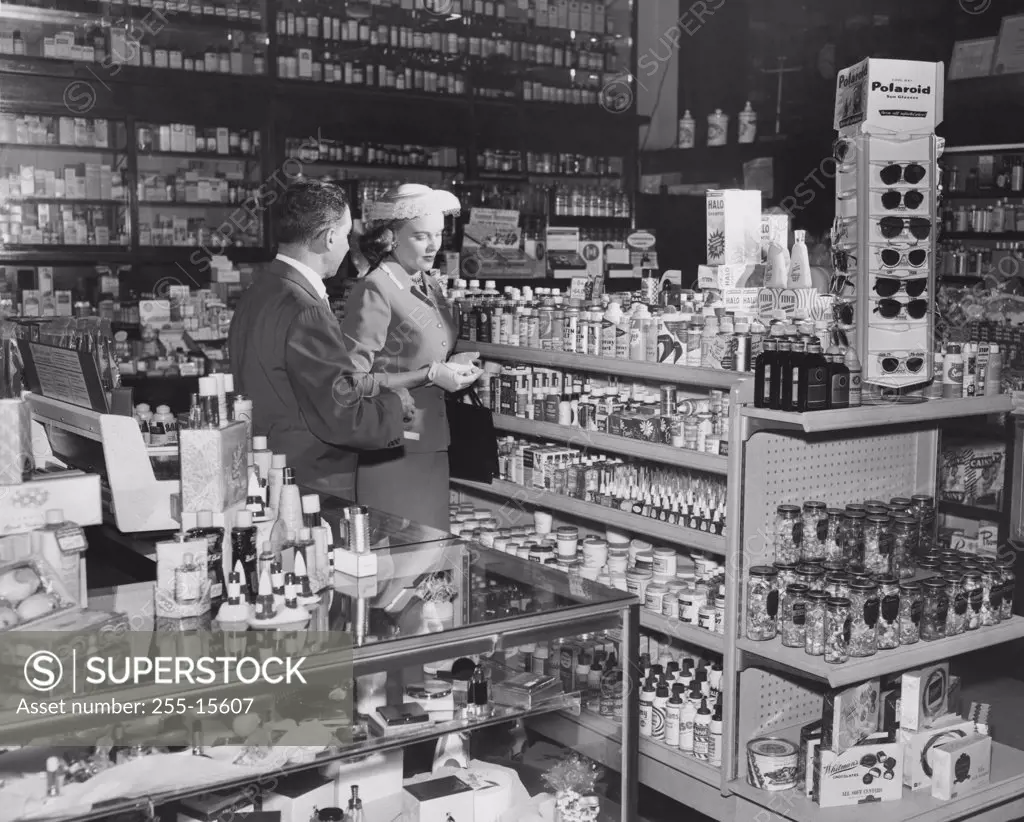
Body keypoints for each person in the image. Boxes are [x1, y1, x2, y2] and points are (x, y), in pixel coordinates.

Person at [228, 179, 415, 499]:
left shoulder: (259, 291)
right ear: (329, 238)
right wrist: (395, 406)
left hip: (263, 467)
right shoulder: (306, 310)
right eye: (345, 236)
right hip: (309, 480)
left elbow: (299, 383)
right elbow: (341, 416)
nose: (348, 245)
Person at [337, 183, 481, 531]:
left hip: (434, 440)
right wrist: (428, 375)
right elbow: (351, 383)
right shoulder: (376, 288)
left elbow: (429, 349)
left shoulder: (428, 283)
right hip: (393, 444)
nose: (433, 245)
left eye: (438, 235)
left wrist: (455, 366)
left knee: (431, 562)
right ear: (391, 238)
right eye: (420, 236)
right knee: (401, 561)